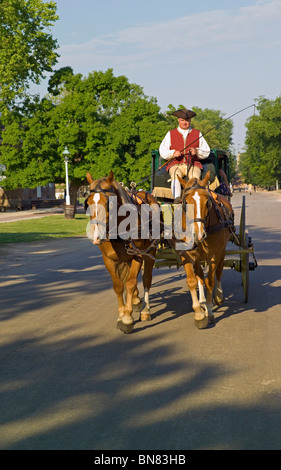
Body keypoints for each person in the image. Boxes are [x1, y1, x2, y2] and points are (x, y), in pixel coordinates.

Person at [159, 108, 210, 199]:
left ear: (190, 120)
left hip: (193, 164)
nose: (184, 123)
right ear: (178, 120)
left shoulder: (197, 133)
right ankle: (177, 198)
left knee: (194, 178)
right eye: (182, 120)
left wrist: (197, 151)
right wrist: (173, 153)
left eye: (187, 120)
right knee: (175, 175)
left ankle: (193, 199)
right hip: (176, 164)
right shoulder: (170, 134)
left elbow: (206, 151)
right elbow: (162, 151)